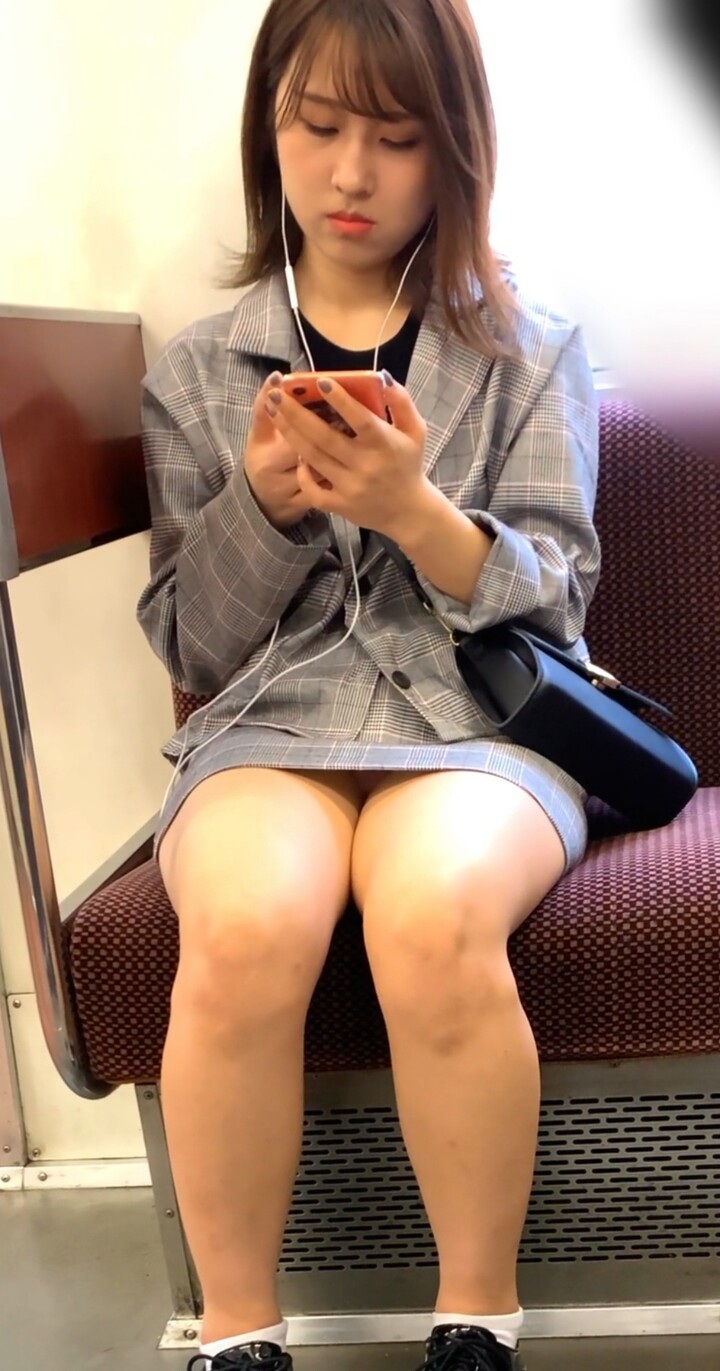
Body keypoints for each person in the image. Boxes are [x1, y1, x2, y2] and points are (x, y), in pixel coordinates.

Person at [136, 2, 601, 1368]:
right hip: (271, 726)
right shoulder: (199, 372)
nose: (351, 174)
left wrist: (417, 514)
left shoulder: (531, 347)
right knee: (241, 927)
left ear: (453, 147)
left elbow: (561, 604)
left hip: (478, 724)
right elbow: (193, 649)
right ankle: (235, 1335)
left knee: (435, 914)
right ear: (268, 128)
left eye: (396, 138)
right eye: (320, 126)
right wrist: (262, 510)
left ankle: (476, 1326)